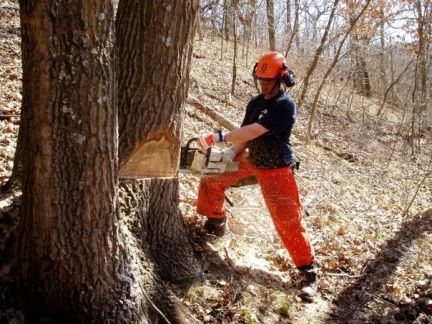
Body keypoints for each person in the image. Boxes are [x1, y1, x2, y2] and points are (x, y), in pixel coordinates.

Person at [195, 51, 318, 301]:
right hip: (251, 159)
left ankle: (309, 272)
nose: (263, 85)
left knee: (288, 221)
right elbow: (245, 135)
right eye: (260, 80)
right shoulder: (255, 103)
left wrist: (218, 137)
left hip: (276, 168)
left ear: (281, 79)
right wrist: (230, 152)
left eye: (268, 81)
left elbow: (256, 130)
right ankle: (216, 221)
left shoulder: (285, 105)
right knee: (210, 174)